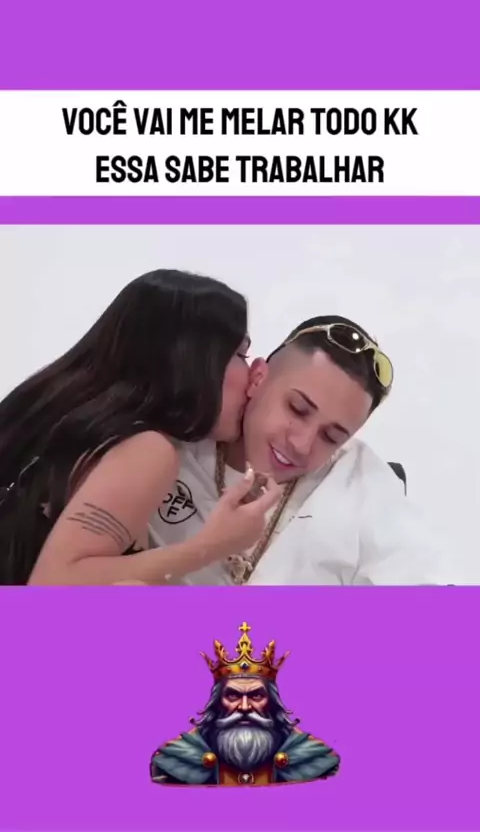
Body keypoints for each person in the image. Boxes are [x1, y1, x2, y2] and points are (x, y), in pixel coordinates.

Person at [0, 269, 280, 586]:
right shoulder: (148, 449)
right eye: (242, 354)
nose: (252, 378)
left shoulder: (53, 407)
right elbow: (53, 586)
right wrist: (210, 546)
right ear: (195, 358)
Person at [147, 315, 452, 585]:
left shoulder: (363, 484)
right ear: (258, 377)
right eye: (298, 409)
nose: (302, 445)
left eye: (331, 436)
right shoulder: (177, 437)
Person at [151, 622, 340, 787]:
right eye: (232, 696)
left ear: (273, 703)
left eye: (256, 696)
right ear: (216, 704)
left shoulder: (312, 757)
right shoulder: (176, 759)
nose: (244, 707)